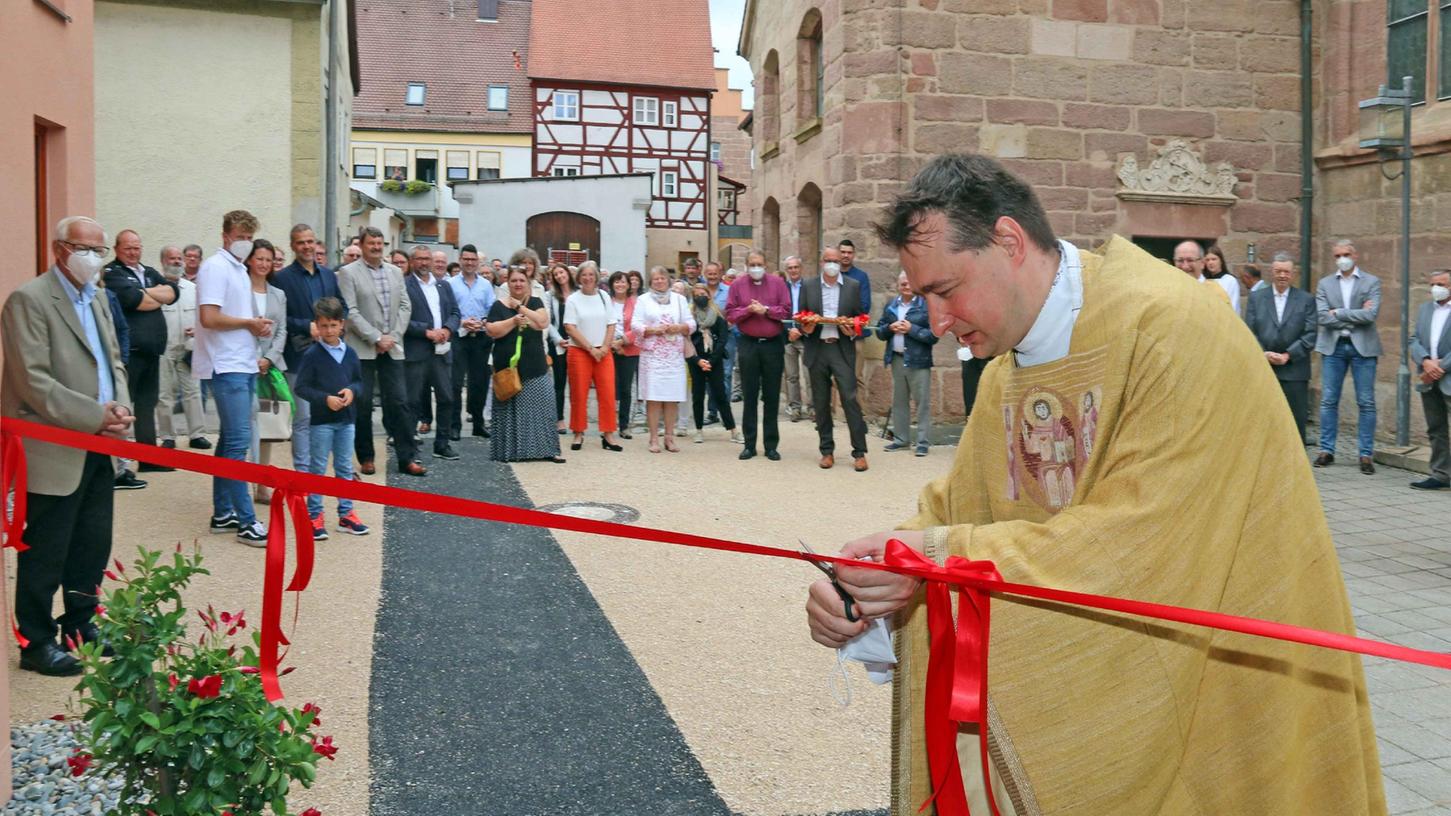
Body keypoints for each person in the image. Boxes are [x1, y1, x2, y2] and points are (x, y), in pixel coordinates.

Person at [805, 153, 1383, 816]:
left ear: (1009, 242)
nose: (936, 322)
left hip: (1219, 686)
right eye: (923, 299)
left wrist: (931, 564)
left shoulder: (1170, 330)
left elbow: (1144, 546)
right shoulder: (1008, 363)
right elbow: (958, 509)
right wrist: (873, 585)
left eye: (945, 290)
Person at [3, 215, 134, 676]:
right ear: (60, 249)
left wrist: (119, 411)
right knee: (46, 548)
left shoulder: (97, 298)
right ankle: (36, 641)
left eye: (100, 251)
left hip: (100, 441)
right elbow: (33, 382)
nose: (95, 259)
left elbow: (113, 360)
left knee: (91, 544)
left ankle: (81, 626)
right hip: (53, 446)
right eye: (88, 249)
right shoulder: (29, 300)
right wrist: (93, 415)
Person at [194, 209, 273, 544]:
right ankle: (246, 520)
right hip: (225, 366)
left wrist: (253, 328)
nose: (244, 243)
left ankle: (223, 512)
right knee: (239, 443)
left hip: (241, 363)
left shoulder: (237, 269)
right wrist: (248, 324)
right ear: (225, 235)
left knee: (229, 442)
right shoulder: (215, 267)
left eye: (248, 238)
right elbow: (209, 318)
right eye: (240, 236)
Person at [337, 227, 425, 477]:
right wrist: (375, 337)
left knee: (399, 402)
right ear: (362, 245)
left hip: (392, 346)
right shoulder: (348, 272)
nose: (376, 247)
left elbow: (406, 306)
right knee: (363, 405)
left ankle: (407, 458)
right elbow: (350, 311)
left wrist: (393, 336)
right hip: (364, 348)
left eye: (379, 243)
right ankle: (366, 457)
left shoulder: (396, 272)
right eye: (371, 243)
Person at [293, 297, 370, 539]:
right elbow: (302, 388)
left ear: (341, 325)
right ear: (317, 325)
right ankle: (314, 514)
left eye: (333, 325)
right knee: (317, 468)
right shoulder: (312, 355)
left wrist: (352, 391)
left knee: (344, 467)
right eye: (323, 326)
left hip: (347, 419)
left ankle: (346, 513)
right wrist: (324, 399)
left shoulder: (350, 353)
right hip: (322, 421)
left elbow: (359, 381)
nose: (328, 331)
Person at [103, 229, 179, 472]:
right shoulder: (111, 273)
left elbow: (173, 293)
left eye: (137, 247)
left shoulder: (148, 271)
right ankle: (118, 465)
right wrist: (153, 296)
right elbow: (131, 300)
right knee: (123, 407)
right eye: (128, 248)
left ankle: (148, 459)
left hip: (152, 351)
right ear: (116, 249)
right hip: (130, 352)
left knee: (147, 405)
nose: (134, 252)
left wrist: (146, 294)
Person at [272, 223, 340, 474]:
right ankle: (303, 473)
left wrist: (334, 328)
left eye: (310, 241)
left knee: (325, 418)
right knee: (302, 419)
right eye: (301, 242)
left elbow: (340, 306)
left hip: (327, 357)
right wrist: (306, 326)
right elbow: (279, 318)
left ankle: (319, 470)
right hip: (298, 358)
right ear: (293, 246)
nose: (306, 247)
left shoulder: (329, 275)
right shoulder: (281, 279)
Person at [1313, 239, 1381, 474]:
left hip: (1363, 348)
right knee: (1329, 400)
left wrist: (1340, 312)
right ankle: (1326, 450)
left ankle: (1365, 454)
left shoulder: (1371, 281)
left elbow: (1371, 314)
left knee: (1366, 401)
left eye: (1346, 254)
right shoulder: (1325, 284)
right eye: (1337, 255)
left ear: (1355, 255)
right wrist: (1356, 313)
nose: (1342, 259)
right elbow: (1322, 317)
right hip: (1334, 347)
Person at [799, 248, 869, 472]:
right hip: (817, 348)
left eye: (836, 261)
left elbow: (859, 318)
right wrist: (806, 326)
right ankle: (826, 451)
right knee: (821, 403)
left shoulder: (852, 286)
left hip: (841, 348)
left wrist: (852, 329)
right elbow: (801, 316)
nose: (832, 264)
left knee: (850, 399)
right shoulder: (808, 285)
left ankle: (859, 452)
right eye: (828, 260)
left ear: (842, 263)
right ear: (822, 262)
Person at [487, 266, 564, 463]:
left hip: (535, 364)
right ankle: (511, 451)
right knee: (510, 410)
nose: (518, 284)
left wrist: (520, 308)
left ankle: (547, 449)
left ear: (528, 283)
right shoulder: (498, 306)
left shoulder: (535, 302)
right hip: (508, 366)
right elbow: (492, 330)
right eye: (514, 281)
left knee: (543, 407)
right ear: (508, 284)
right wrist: (513, 321)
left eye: (522, 280)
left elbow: (542, 322)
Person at [725, 250, 790, 461]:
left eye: (759, 264)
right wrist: (749, 310)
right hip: (748, 344)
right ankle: (749, 444)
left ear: (766, 265)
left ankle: (771, 445)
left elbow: (786, 311)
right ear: (746, 266)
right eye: (752, 264)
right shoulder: (737, 285)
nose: (756, 268)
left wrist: (766, 310)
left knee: (771, 396)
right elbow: (731, 314)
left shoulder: (778, 284)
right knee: (749, 395)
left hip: (772, 345)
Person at [1244, 253, 1316, 442]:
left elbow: (1310, 335)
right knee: (1262, 421)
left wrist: (1287, 355)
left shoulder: (1306, 300)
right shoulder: (1257, 298)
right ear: (1271, 272)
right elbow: (1249, 331)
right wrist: (1262, 354)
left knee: (1295, 422)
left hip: (1295, 372)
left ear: (1293, 274)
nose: (1282, 275)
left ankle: (1296, 468)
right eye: (1278, 271)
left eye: (1286, 271)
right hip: (1264, 369)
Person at [243, 240, 289, 508]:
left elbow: (281, 330)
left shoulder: (278, 294)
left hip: (268, 367)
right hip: (243, 365)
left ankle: (261, 485)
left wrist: (269, 359)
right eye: (259, 258)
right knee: (243, 426)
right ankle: (239, 482)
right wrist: (251, 359)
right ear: (250, 260)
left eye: (268, 260)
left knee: (266, 428)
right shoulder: (239, 289)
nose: (263, 264)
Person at [403, 245, 461, 461]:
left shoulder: (443, 285)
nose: (424, 263)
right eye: (420, 259)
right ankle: (410, 450)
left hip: (442, 351)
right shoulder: (405, 286)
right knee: (413, 401)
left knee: (446, 398)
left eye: (427, 258)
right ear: (412, 261)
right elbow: (402, 320)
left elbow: (456, 312)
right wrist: (426, 332)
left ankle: (442, 444)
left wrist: (447, 329)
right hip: (417, 351)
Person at [631, 266, 694, 453]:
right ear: (651, 282)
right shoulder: (643, 300)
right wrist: (652, 330)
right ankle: (653, 438)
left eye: (662, 278)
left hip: (674, 355)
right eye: (655, 279)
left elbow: (691, 323)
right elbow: (635, 324)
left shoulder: (680, 299)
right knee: (654, 398)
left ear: (668, 280)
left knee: (672, 398)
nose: (659, 281)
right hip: (652, 356)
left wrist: (679, 326)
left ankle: (669, 436)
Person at [876, 270, 938, 456]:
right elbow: (879, 331)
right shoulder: (891, 305)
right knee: (899, 402)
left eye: (909, 283)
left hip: (919, 361)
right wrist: (889, 328)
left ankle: (922, 443)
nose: (906, 286)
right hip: (896, 358)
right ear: (898, 285)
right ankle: (901, 440)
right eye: (903, 283)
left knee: (922, 403)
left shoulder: (925, 305)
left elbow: (933, 335)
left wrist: (912, 329)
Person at [564, 261, 622, 452]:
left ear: (596, 277)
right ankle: (578, 432)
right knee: (579, 394)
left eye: (591, 274)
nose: (588, 278)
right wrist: (591, 349)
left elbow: (611, 323)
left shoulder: (604, 296)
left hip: (603, 352)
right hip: (580, 351)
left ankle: (608, 434)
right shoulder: (573, 299)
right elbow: (570, 327)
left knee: (607, 393)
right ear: (579, 278)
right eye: (584, 275)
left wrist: (605, 346)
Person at [155, 245, 209, 451]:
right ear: (162, 262)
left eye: (179, 258)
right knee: (164, 395)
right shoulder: (156, 288)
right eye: (172, 258)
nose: (177, 262)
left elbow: (203, 317)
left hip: (188, 349)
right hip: (164, 350)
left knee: (193, 392)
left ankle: (197, 435)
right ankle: (168, 437)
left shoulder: (193, 289)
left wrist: (197, 329)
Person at [1409, 268, 1451, 490]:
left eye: (1442, 284)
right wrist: (1425, 361)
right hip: (1428, 377)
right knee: (1436, 428)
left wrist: (1440, 366)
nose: (1437, 288)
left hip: (1446, 375)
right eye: (1434, 284)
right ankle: (1441, 474)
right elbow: (1413, 339)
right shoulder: (1425, 309)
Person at [449, 244, 496, 439]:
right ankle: (454, 426)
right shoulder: (450, 284)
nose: (469, 263)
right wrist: (462, 322)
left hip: (480, 339)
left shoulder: (485, 285)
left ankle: (478, 423)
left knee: (480, 383)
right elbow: (447, 311)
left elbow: (491, 309)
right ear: (460, 260)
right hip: (459, 338)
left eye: (473, 260)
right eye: (466, 259)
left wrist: (483, 322)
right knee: (455, 384)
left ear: (478, 262)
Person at [688, 282, 738, 443]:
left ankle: (733, 430)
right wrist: (697, 360)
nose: (700, 298)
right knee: (698, 395)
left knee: (720, 395)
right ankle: (698, 429)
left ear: (708, 296)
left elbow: (723, 339)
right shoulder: (689, 317)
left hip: (714, 360)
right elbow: (686, 340)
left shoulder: (717, 316)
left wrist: (711, 360)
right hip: (696, 360)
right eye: (696, 295)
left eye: (702, 294)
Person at [837, 238, 875, 394]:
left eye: (849, 252)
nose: (846, 255)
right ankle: (838, 415)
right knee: (836, 376)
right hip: (834, 332)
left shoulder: (861, 277)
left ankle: (860, 414)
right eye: (843, 252)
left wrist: (845, 318)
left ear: (854, 255)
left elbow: (864, 305)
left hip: (856, 333)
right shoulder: (831, 275)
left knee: (857, 376)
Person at [607, 271, 641, 439]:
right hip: (609, 349)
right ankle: (608, 425)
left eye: (623, 282)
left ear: (629, 285)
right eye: (616, 282)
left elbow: (638, 326)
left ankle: (624, 425)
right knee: (609, 387)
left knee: (626, 388)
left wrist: (622, 341)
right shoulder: (607, 302)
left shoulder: (635, 304)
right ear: (612, 285)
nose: (620, 285)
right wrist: (612, 343)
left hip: (629, 349)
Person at [544, 263, 575, 433]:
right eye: (556, 274)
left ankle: (578, 420)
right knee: (559, 382)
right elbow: (547, 320)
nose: (559, 276)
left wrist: (576, 339)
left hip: (577, 341)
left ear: (568, 273)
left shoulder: (579, 293)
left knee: (577, 383)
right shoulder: (550, 295)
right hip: (559, 343)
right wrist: (558, 339)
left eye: (561, 272)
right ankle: (559, 419)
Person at [781, 255, 812, 422]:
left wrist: (799, 329)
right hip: (788, 337)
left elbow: (813, 309)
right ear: (787, 270)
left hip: (806, 336)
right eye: (790, 268)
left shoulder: (809, 286)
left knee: (809, 374)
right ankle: (795, 408)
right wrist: (789, 330)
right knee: (791, 375)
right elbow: (780, 310)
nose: (793, 270)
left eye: (796, 267)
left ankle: (813, 408)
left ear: (801, 268)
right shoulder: (782, 288)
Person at [1171, 240, 1232, 308]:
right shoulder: (1169, 290)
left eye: (1190, 260)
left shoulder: (1216, 294)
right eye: (1180, 260)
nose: (1185, 266)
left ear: (1202, 263)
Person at [1204, 244, 1242, 315]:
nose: (1210, 262)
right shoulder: (1203, 281)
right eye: (1207, 260)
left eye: (1214, 259)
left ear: (1221, 261)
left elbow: (1234, 305)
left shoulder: (1230, 280)